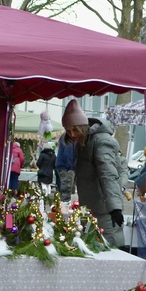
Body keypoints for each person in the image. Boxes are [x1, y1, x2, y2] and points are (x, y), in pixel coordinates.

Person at [60, 99, 127, 249]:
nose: (71, 134)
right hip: (91, 208)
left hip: (105, 211)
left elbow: (108, 174)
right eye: (68, 130)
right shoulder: (84, 141)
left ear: (82, 127)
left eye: (74, 130)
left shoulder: (101, 142)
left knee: (111, 250)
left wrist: (114, 207)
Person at [55, 134, 77, 201]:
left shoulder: (65, 136)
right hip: (66, 168)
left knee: (68, 190)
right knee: (67, 191)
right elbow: (68, 153)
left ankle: (66, 208)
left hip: (63, 167)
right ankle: (65, 209)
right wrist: (70, 167)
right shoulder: (68, 136)